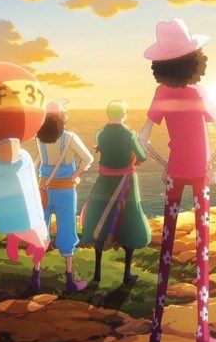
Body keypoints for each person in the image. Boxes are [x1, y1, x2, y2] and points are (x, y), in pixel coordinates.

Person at [138, 17, 216, 342]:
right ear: (194, 60)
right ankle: (202, 334)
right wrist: (209, 166)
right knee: (202, 254)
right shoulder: (199, 93)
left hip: (175, 174)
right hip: (199, 177)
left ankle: (155, 334)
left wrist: (165, 166)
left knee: (166, 250)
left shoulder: (161, 93)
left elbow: (142, 138)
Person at [80, 99, 151, 286]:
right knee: (129, 220)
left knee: (99, 219)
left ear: (108, 114)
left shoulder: (100, 134)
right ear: (124, 115)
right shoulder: (130, 134)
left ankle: (97, 274)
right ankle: (127, 275)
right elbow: (142, 156)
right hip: (126, 183)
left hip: (104, 182)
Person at [35, 99, 94, 293]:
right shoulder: (69, 137)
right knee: (67, 230)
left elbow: (39, 160)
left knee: (41, 230)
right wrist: (75, 175)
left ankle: (36, 276)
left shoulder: (39, 136)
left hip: (43, 188)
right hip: (65, 191)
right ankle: (69, 279)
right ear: (62, 117)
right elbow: (88, 159)